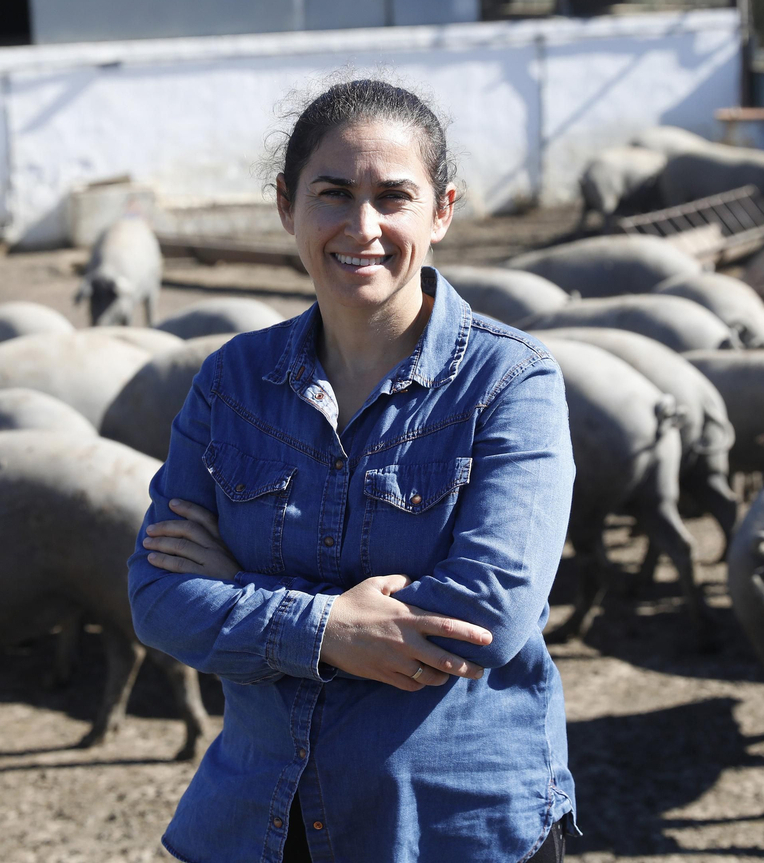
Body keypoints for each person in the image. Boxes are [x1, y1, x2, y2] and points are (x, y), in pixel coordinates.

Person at [127, 78, 578, 863]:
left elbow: (489, 613)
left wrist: (245, 593)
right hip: (263, 818)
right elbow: (159, 595)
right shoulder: (231, 383)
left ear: (441, 211)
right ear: (286, 205)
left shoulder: (510, 382)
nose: (361, 227)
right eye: (333, 193)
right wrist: (333, 627)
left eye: (393, 197)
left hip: (450, 826)